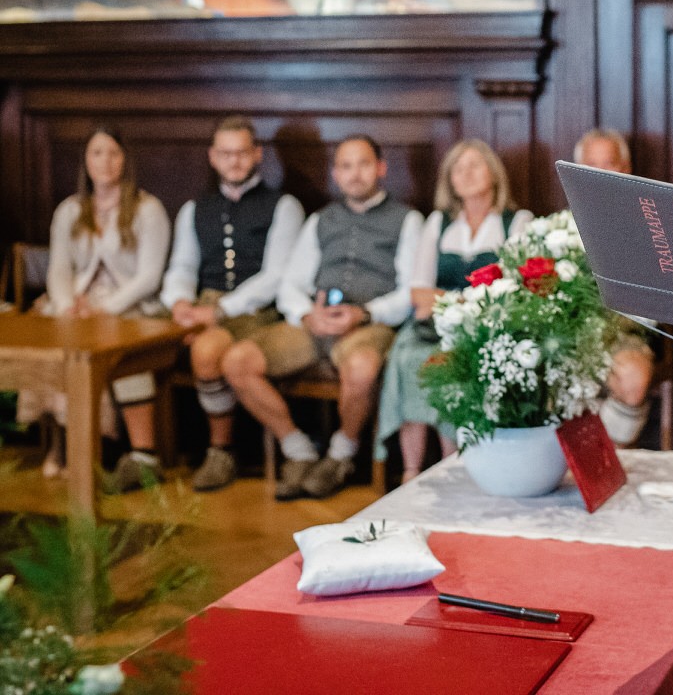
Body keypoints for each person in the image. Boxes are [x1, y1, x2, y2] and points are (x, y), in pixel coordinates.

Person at [220, 134, 421, 500]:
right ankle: (298, 450)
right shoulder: (320, 220)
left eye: (362, 164)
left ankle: (340, 454)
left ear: (381, 168)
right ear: (335, 173)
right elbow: (291, 284)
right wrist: (306, 315)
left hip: (368, 324)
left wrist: (364, 313)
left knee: (361, 367)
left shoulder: (407, 220)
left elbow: (411, 291)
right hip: (314, 322)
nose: (354, 174)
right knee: (237, 361)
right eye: (345, 166)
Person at [159, 115, 305, 492]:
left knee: (209, 349)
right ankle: (220, 451)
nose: (234, 161)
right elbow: (182, 266)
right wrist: (179, 303)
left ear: (257, 154)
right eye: (226, 154)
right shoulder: (196, 209)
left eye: (242, 153)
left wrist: (221, 310)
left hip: (255, 311)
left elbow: (276, 275)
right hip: (204, 304)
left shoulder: (283, 205)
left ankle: (245, 448)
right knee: (201, 350)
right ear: (213, 157)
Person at [19, 126, 170, 486]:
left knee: (118, 342)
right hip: (76, 305)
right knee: (48, 337)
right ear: (85, 161)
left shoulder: (148, 209)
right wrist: (67, 305)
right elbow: (58, 268)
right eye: (96, 153)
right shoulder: (70, 210)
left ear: (125, 160)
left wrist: (104, 310)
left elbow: (149, 276)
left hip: (129, 306)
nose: (105, 162)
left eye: (113, 153)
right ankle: (62, 445)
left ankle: (137, 453)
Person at [374, 138, 533, 482]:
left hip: (490, 330)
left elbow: (515, 291)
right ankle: (411, 471)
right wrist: (468, 299)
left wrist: (450, 299)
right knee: (408, 359)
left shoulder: (516, 222)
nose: (467, 173)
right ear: (451, 181)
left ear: (493, 172)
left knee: (455, 362)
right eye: (458, 169)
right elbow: (419, 292)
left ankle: (455, 464)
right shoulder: (438, 224)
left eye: (475, 164)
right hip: (434, 326)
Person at [573, 127, 658, 447]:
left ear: (626, 168)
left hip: (627, 331)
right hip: (572, 332)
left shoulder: (648, 221)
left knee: (633, 380)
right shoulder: (562, 226)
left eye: (609, 163)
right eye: (592, 165)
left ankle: (603, 452)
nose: (600, 174)